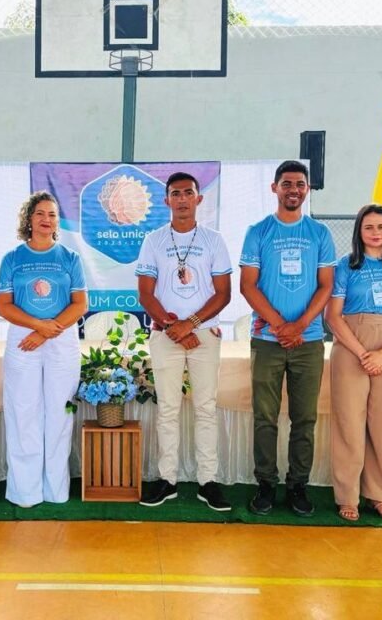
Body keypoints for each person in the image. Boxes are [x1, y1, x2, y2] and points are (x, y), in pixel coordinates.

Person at [240, 160, 335, 517]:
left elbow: (326, 285)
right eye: (287, 184)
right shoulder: (258, 232)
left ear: (307, 189)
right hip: (267, 340)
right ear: (275, 188)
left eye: (299, 184)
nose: (293, 190)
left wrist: (300, 326)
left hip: (308, 342)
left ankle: (298, 485)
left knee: (304, 418)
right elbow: (248, 285)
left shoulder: (320, 233)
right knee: (264, 417)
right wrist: (281, 325)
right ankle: (266, 483)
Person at [136, 172, 233, 511]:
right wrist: (171, 326)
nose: (181, 199)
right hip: (165, 333)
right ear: (166, 200)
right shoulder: (153, 241)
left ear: (198, 199)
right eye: (175, 193)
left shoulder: (213, 240)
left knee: (206, 408)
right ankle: (168, 480)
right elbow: (146, 294)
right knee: (168, 409)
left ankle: (208, 481)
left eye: (188, 193)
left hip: (203, 333)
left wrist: (190, 325)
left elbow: (223, 294)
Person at [325, 204, 382, 521]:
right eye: (369, 227)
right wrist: (362, 352)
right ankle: (347, 496)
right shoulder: (345, 265)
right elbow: (333, 316)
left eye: (381, 227)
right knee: (349, 423)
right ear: (359, 231)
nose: (376, 233)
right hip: (351, 344)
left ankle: (379, 495)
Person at [0, 191, 87, 507]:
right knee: (23, 413)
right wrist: (37, 327)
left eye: (52, 214)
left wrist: (48, 330)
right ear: (29, 219)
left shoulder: (70, 258)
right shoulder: (12, 259)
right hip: (23, 339)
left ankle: (55, 490)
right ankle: (26, 491)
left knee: (59, 413)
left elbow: (80, 304)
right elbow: (3, 306)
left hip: (61, 339)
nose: (46, 219)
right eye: (40, 214)